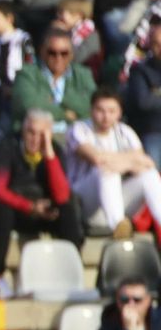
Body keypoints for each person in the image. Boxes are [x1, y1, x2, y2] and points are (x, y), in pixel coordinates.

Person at [0, 109, 84, 298]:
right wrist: (29, 206)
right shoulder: (6, 147)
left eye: (41, 134)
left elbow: (61, 196)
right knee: (3, 212)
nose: (35, 139)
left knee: (68, 210)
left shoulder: (55, 151)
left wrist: (49, 155)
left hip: (42, 211)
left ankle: (71, 269)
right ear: (23, 130)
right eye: (31, 132)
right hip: (12, 208)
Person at [67, 88, 161, 236]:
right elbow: (96, 159)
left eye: (111, 111)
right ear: (91, 110)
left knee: (149, 175)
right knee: (105, 170)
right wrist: (130, 160)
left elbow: (147, 163)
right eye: (100, 110)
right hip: (84, 202)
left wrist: (123, 162)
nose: (106, 117)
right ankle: (118, 226)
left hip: (117, 200)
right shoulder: (79, 129)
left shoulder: (124, 131)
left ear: (119, 113)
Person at [11, 27, 96, 132]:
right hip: (37, 136)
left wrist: (53, 101)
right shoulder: (26, 73)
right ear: (42, 52)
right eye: (52, 53)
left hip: (74, 137)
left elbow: (92, 106)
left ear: (71, 54)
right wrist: (65, 114)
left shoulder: (82, 74)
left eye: (64, 53)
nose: (58, 58)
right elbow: (29, 105)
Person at [123, 23, 161, 167]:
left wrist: (156, 93)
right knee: (152, 170)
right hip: (153, 131)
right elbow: (143, 102)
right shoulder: (140, 70)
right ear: (150, 45)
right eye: (157, 44)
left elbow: (151, 100)